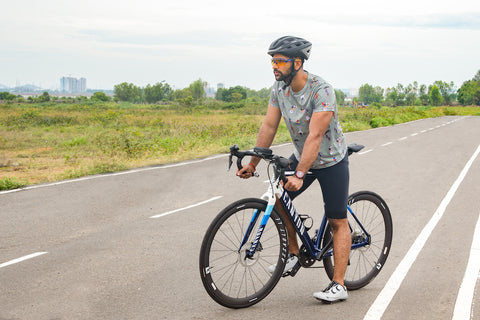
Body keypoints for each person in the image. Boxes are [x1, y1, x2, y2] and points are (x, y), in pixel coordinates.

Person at [236, 36, 351, 303]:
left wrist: (300, 174)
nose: (274, 66)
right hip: (303, 157)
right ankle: (294, 253)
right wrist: (252, 163)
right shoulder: (279, 88)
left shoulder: (321, 90)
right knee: (278, 199)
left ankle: (339, 284)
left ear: (297, 63)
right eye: (272, 61)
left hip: (331, 159)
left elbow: (316, 135)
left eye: (280, 61)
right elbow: (269, 126)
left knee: (337, 221)